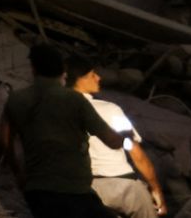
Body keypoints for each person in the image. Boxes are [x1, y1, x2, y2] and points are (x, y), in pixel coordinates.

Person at [1, 44, 131, 218]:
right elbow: (111, 141)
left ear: (33, 69)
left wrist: (19, 173)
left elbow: (6, 141)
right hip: (74, 191)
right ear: (63, 71)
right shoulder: (74, 100)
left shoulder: (16, 100)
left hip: (37, 191)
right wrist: (125, 136)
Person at [67, 57, 168, 217]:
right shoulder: (109, 110)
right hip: (123, 187)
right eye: (92, 75)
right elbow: (136, 153)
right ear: (79, 80)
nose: (98, 78)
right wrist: (156, 189)